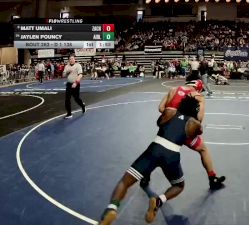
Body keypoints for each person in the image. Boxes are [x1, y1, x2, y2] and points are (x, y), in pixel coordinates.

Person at [99, 96, 204, 225]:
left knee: (125, 181)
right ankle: (158, 201)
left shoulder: (170, 112)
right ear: (195, 110)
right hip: (172, 155)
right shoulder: (194, 124)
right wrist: (201, 106)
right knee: (179, 185)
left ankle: (112, 208)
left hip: (154, 149)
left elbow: (159, 123)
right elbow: (199, 130)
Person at [142, 79, 225, 190]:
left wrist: (173, 115)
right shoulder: (198, 96)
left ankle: (145, 176)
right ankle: (212, 179)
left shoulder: (173, 90)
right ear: (199, 88)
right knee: (203, 149)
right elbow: (199, 119)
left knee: (160, 150)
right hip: (184, 130)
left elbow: (161, 108)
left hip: (167, 128)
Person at [63, 55, 86, 119]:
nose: (71, 60)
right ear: (69, 60)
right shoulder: (66, 66)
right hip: (69, 84)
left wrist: (76, 82)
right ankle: (69, 113)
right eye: (70, 59)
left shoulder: (78, 65)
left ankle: (82, 105)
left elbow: (80, 75)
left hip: (76, 84)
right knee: (67, 99)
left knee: (76, 98)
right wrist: (67, 72)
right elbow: (63, 75)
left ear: (74, 59)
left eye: (72, 59)